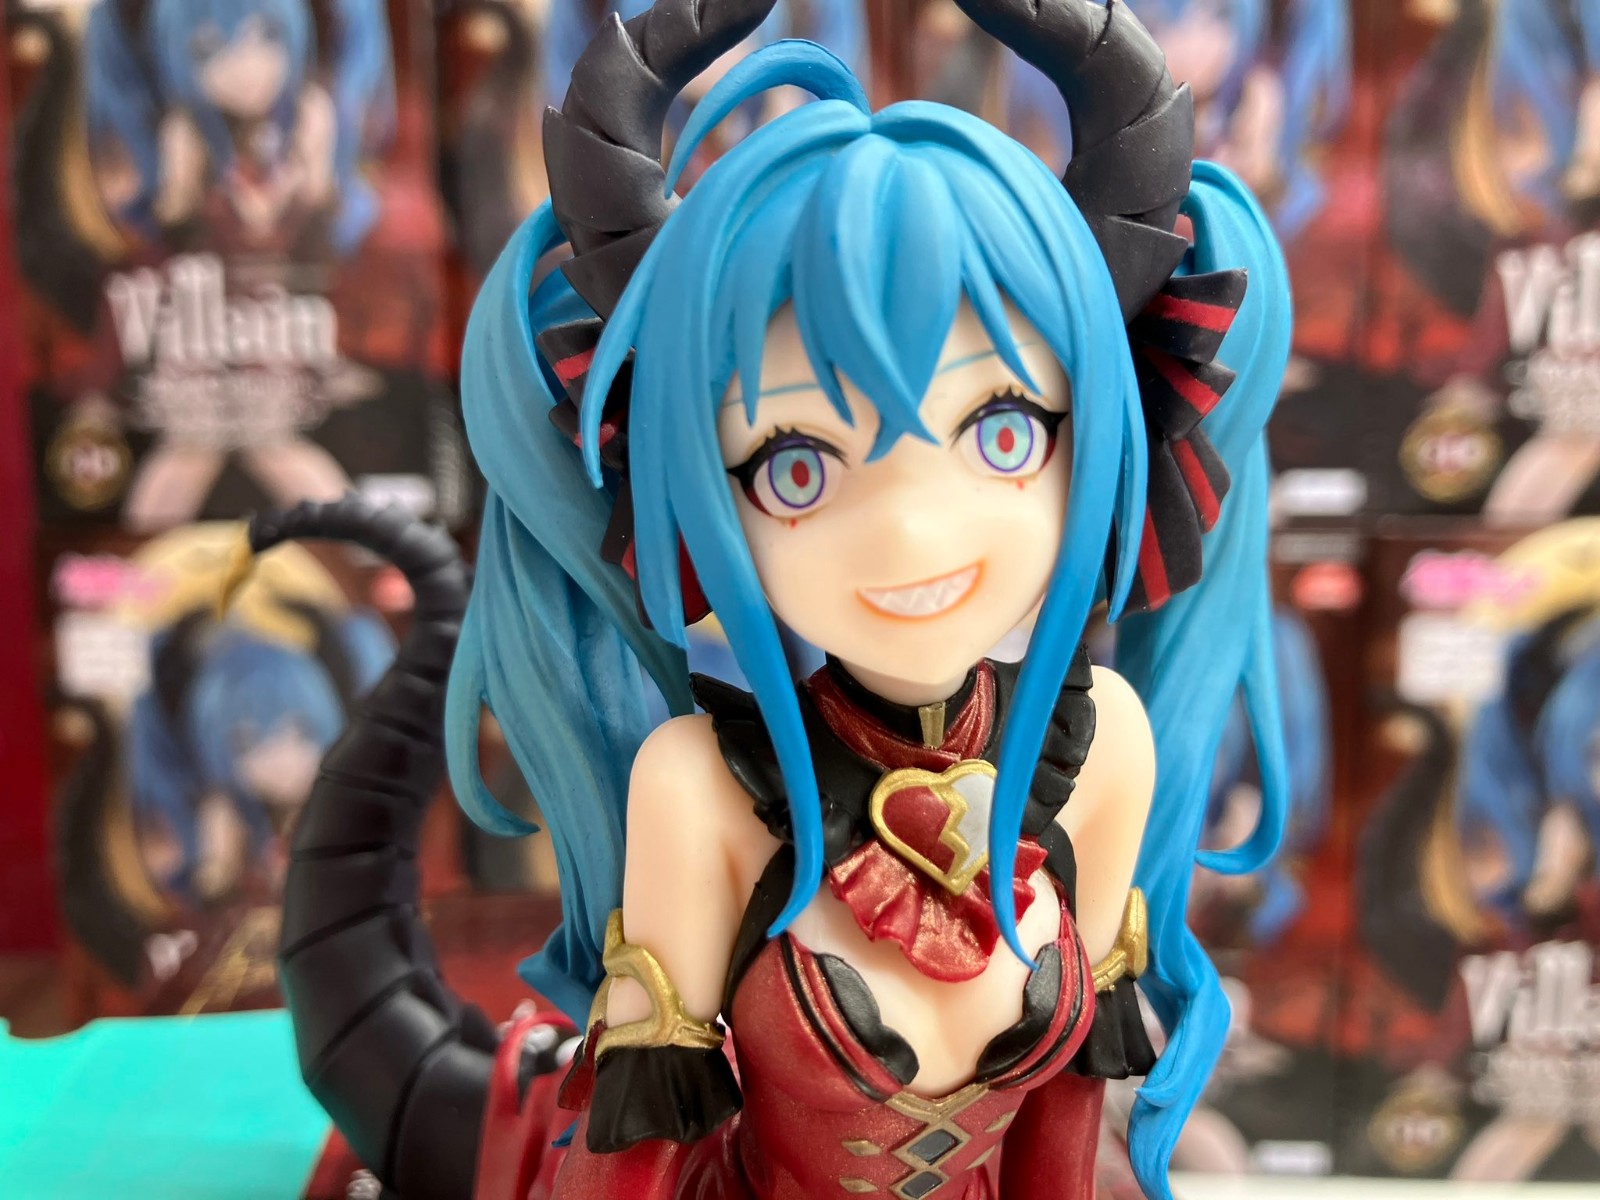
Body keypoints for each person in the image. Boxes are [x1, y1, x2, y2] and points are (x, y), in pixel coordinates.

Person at [252, 2, 1292, 1197]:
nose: (911, 529)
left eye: (1002, 431)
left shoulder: (1101, 748)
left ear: (1105, 442)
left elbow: (1067, 1112)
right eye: (795, 466)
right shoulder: (703, 793)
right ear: (693, 497)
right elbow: (640, 1146)